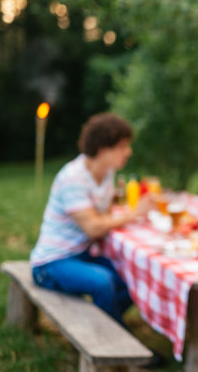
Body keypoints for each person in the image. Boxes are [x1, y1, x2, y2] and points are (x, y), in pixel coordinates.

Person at [30, 113, 152, 326]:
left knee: (133, 275)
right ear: (104, 150)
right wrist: (135, 213)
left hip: (81, 253)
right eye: (123, 146)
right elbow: (94, 228)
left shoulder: (107, 172)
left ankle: (102, 324)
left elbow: (102, 214)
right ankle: (116, 341)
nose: (129, 152)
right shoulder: (73, 178)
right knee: (102, 281)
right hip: (51, 263)